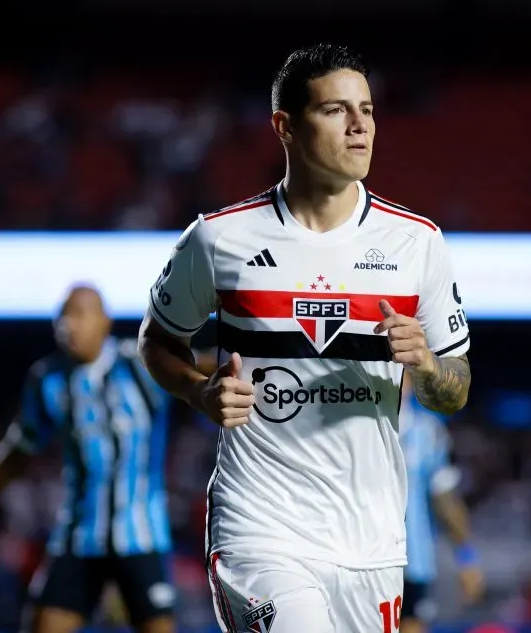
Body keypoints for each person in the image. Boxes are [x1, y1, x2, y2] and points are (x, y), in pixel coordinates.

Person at [137, 43, 472, 633]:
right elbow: (157, 342)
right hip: (259, 528)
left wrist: (423, 364)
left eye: (367, 110)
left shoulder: (417, 244)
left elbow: (455, 390)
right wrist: (196, 391)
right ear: (285, 126)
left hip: (372, 541)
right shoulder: (219, 239)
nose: (359, 125)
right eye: (336, 110)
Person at [0, 284, 177, 633]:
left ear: (105, 322)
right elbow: (15, 455)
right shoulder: (48, 379)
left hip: (142, 535)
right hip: (80, 536)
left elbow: (196, 368)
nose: (68, 325)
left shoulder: (140, 364)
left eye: (79, 314)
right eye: (62, 316)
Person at [399, 371, 484, 633]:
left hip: (412, 562)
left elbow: (445, 501)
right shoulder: (353, 427)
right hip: (352, 556)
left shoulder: (428, 432)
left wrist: (467, 558)